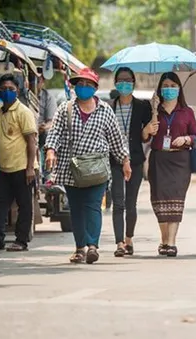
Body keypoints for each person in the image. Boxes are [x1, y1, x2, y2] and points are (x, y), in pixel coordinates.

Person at [44, 68, 131, 264]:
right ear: (74, 87)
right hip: (71, 168)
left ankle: (92, 245)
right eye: (79, 84)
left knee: (93, 206)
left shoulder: (105, 110)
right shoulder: (64, 108)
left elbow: (116, 139)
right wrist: (51, 150)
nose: (83, 88)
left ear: (95, 88)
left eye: (87, 84)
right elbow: (55, 133)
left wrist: (125, 161)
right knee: (75, 208)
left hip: (96, 169)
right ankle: (79, 248)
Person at [0, 74, 38, 251]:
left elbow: (31, 141)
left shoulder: (24, 112)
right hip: (5, 169)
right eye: (4, 90)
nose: (8, 92)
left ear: (17, 91)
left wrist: (29, 168)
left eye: (11, 89)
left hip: (22, 168)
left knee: (24, 206)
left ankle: (21, 241)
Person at [146, 72, 196, 257]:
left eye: (172, 85)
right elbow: (144, 137)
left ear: (179, 88)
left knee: (176, 200)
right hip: (158, 159)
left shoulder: (187, 111)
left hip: (180, 161)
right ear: (160, 88)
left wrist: (185, 138)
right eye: (165, 86)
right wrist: (149, 122)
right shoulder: (153, 108)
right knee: (159, 201)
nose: (169, 89)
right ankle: (163, 239)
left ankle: (171, 242)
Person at [109, 67, 159, 257]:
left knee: (131, 203)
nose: (124, 83)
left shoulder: (143, 106)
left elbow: (148, 135)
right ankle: (119, 243)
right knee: (118, 202)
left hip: (136, 159)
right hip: (114, 160)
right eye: (121, 80)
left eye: (128, 80)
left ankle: (129, 239)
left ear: (133, 83)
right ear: (115, 83)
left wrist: (153, 113)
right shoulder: (109, 106)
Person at [36, 70, 57, 150]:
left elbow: (52, 121)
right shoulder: (22, 96)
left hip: (41, 135)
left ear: (43, 82)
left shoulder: (48, 97)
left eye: (38, 81)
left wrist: (43, 128)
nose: (33, 83)